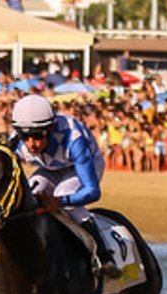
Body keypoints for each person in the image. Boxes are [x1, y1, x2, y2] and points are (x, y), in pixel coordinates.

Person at [8, 92, 112, 272]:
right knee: (29, 198)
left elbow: (93, 191)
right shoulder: (16, 142)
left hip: (84, 166)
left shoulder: (73, 139)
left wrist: (62, 202)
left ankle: (103, 256)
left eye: (38, 136)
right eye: (26, 137)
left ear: (50, 129)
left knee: (61, 197)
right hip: (50, 169)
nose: (31, 144)